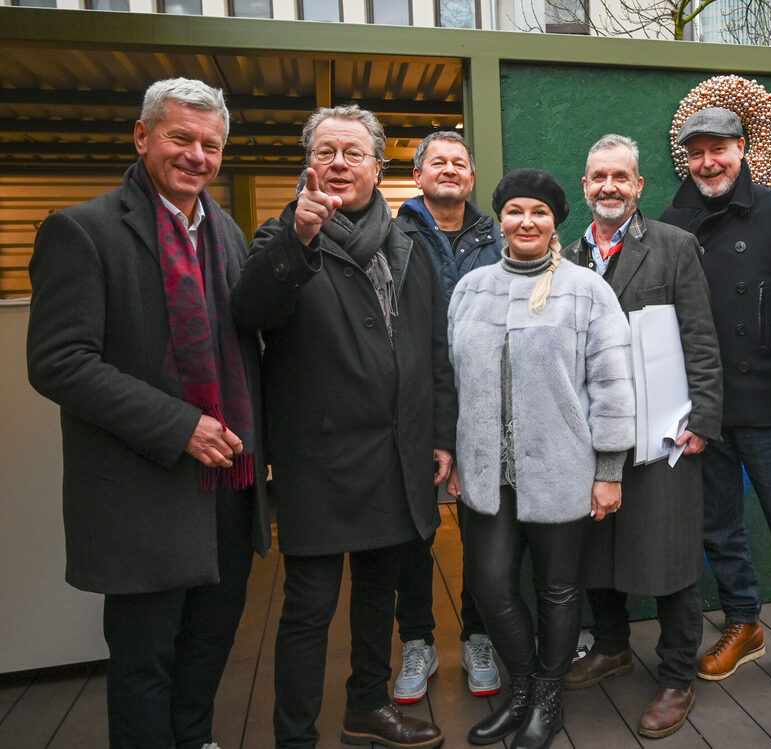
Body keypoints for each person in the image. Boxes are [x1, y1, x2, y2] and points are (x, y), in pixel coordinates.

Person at [26, 77, 271, 749]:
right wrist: (179, 425)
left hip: (226, 483)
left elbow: (243, 342)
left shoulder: (224, 229)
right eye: (180, 137)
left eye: (210, 144)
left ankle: (194, 739)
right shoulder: (82, 230)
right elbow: (58, 361)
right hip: (145, 489)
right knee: (144, 661)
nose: (197, 155)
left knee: (209, 642)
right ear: (141, 137)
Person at [230, 104, 453, 749]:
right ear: (308, 167)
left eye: (353, 153)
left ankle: (367, 706)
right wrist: (296, 241)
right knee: (308, 607)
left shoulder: (409, 245)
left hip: (397, 453)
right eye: (325, 152)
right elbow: (251, 312)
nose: (338, 163)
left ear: (378, 168)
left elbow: (433, 351)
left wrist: (439, 436)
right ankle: (294, 735)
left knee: (377, 595)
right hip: (320, 461)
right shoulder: (282, 237)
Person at [446, 168, 634, 749]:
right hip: (486, 473)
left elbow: (611, 384)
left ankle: (547, 698)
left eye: (539, 212)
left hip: (561, 469)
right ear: (499, 219)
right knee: (489, 584)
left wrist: (608, 471)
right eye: (514, 211)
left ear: (556, 221)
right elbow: (453, 380)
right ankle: (524, 685)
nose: (526, 222)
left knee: (557, 589)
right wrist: (453, 453)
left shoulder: (586, 290)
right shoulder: (470, 288)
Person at [659, 107, 771, 695]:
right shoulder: (673, 219)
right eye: (697, 152)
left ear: (743, 150)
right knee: (720, 527)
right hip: (701, 407)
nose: (708, 162)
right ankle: (744, 622)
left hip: (770, 401)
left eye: (719, 149)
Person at [560, 134, 722, 738]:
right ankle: (612, 646)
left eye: (620, 177)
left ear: (638, 186)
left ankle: (678, 676)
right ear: (585, 185)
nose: (609, 186)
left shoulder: (675, 246)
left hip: (664, 431)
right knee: (599, 550)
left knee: (670, 551)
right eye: (598, 176)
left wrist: (704, 418)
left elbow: (701, 337)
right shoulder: (566, 255)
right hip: (592, 433)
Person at [391, 130, 502, 704]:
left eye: (461, 162)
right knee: (415, 529)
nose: (451, 169)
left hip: (483, 403)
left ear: (471, 177)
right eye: (439, 162)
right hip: (413, 403)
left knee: (482, 526)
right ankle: (418, 640)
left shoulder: (497, 234)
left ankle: (479, 635)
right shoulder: (392, 234)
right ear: (418, 175)